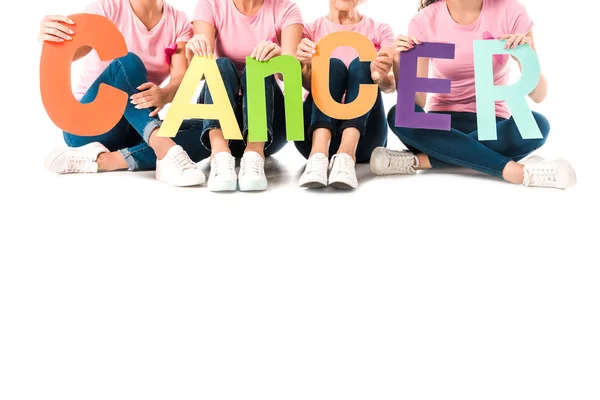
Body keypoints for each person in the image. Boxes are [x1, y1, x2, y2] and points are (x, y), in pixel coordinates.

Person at [371, 0, 577, 189]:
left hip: (494, 125)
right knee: (399, 113)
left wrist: (522, 57)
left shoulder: (511, 12)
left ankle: (420, 160)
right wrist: (400, 63)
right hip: (441, 126)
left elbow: (539, 95)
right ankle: (514, 171)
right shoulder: (424, 20)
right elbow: (417, 102)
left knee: (538, 125)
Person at [41, 0, 208, 187]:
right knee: (127, 61)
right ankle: (163, 148)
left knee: (208, 132)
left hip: (136, 128)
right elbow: (72, 52)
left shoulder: (179, 22)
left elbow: (180, 77)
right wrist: (52, 38)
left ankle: (106, 161)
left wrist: (165, 94)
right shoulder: (107, 9)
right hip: (87, 128)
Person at [187, 0, 303, 191]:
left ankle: (255, 154)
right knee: (221, 64)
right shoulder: (210, 4)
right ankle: (220, 154)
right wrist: (193, 54)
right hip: (219, 120)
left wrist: (279, 58)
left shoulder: (286, 8)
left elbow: (291, 73)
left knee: (257, 67)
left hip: (269, 127)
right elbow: (200, 71)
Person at [295, 0, 395, 190]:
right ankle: (318, 156)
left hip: (364, 140)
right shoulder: (308, 31)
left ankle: (346, 156)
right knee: (332, 66)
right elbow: (303, 84)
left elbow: (391, 86)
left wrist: (378, 76)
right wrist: (305, 67)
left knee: (364, 63)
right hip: (312, 136)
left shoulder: (380, 30)